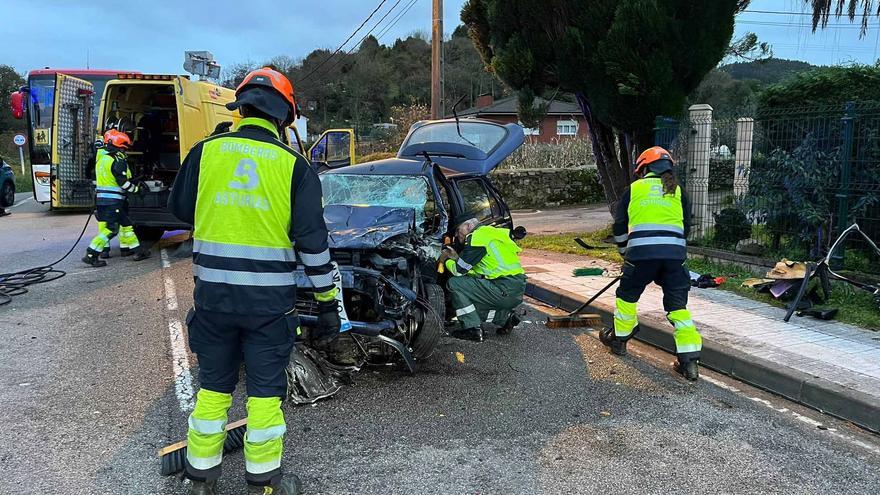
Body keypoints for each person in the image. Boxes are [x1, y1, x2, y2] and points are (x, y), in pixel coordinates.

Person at [168, 67, 341, 495]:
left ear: (241, 107)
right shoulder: (294, 167)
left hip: (213, 302)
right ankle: (265, 485)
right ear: (285, 117)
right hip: (269, 309)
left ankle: (201, 480)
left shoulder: (206, 152)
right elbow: (313, 245)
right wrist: (327, 303)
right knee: (265, 397)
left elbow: (179, 210)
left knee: (212, 391)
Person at [608, 146, 702, 381]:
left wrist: (624, 252)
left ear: (644, 168)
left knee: (627, 296)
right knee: (677, 305)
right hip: (674, 257)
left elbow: (620, 225)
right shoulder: (679, 191)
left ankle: (620, 339)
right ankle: (689, 360)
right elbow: (686, 228)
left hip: (640, 256)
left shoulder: (634, 189)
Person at [441, 217, 527, 342]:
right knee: (468, 303)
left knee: (455, 284)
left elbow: (458, 272)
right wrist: (456, 258)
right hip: (516, 288)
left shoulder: (477, 238)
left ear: (469, 227)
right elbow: (475, 272)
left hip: (503, 288)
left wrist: (445, 260)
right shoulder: (491, 233)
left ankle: (472, 329)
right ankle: (505, 318)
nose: (456, 235)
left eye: (458, 230)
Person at [81, 129, 150, 266]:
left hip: (102, 200)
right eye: (125, 148)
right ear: (120, 147)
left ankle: (137, 251)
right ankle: (91, 254)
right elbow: (122, 182)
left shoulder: (102, 159)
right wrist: (137, 190)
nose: (125, 151)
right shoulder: (117, 160)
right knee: (111, 229)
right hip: (114, 201)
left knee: (127, 224)